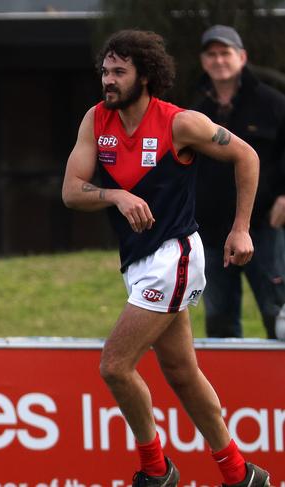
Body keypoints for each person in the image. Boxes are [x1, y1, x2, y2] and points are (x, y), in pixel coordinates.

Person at [62, 30, 270, 486]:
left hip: (175, 255)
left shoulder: (181, 123)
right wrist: (116, 195)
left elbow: (247, 156)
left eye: (119, 72)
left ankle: (156, 470)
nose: (108, 81)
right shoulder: (96, 121)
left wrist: (240, 228)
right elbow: (71, 192)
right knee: (181, 372)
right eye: (105, 71)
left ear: (146, 76)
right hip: (139, 263)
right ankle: (239, 474)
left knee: (115, 366)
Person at [194, 24, 285, 339]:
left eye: (225, 53)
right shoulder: (195, 110)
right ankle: (223, 388)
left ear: (242, 57)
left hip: (264, 227)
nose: (219, 60)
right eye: (212, 54)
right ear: (204, 61)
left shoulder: (272, 103)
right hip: (210, 230)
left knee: (277, 311)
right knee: (219, 318)